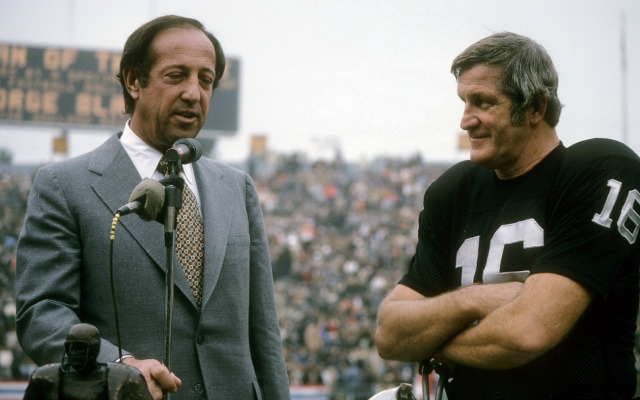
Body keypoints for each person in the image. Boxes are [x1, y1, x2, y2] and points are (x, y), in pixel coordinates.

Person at [15, 15, 290, 400]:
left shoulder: (237, 187)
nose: (194, 93)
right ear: (133, 81)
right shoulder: (64, 186)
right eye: (177, 75)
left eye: (205, 80)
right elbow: (42, 314)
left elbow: (263, 333)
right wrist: (118, 366)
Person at [374, 31, 640, 399]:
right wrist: (473, 300)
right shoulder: (455, 191)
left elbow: (526, 333)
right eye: (464, 102)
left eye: (483, 102)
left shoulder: (597, 170)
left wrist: (433, 343)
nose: (466, 120)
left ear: (535, 108)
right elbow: (390, 334)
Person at [24, 323, 151, 400]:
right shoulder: (44, 379)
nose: (73, 353)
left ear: (94, 350)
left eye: (79, 348)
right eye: (70, 347)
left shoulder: (126, 378)